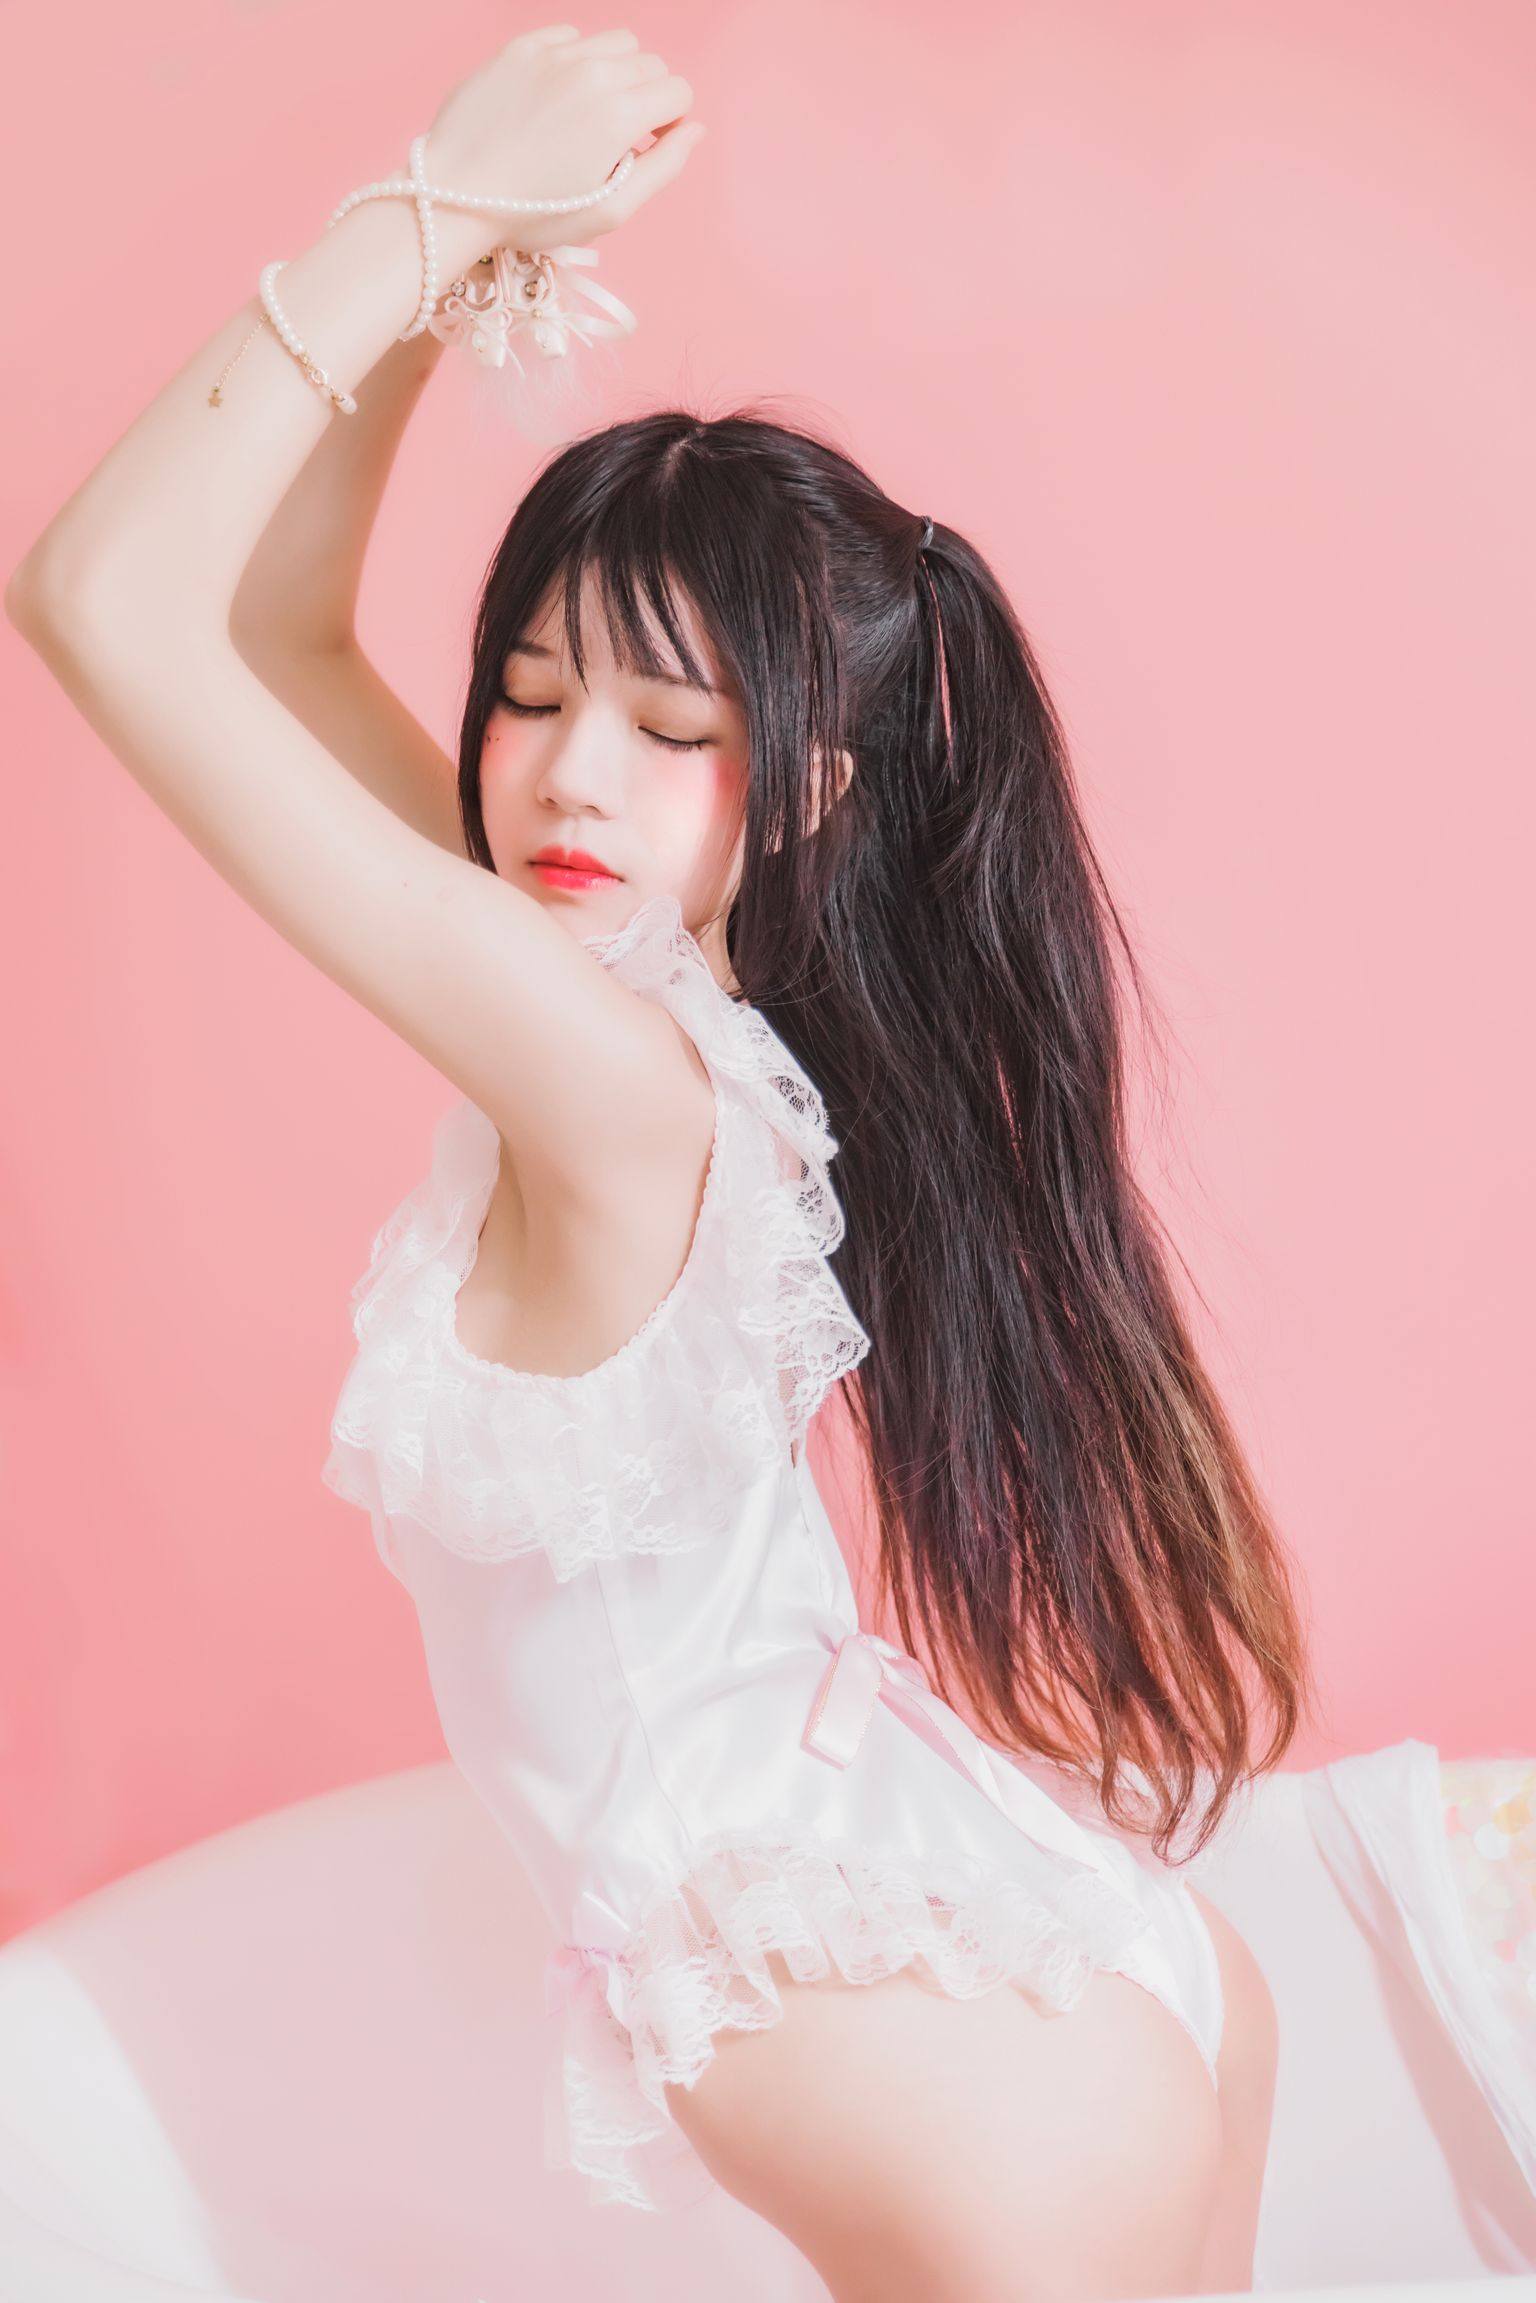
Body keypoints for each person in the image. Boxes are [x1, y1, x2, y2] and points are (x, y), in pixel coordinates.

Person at [8, 24, 1533, 2301]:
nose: (564, 774)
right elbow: (276, 633)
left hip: (964, 2068)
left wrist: (431, 197)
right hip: (1022, 1947)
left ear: (805, 792)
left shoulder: (605, 1073)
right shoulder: (637, 1008)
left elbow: (99, 600)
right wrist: (457, 295)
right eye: (534, 692)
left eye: (671, 729)